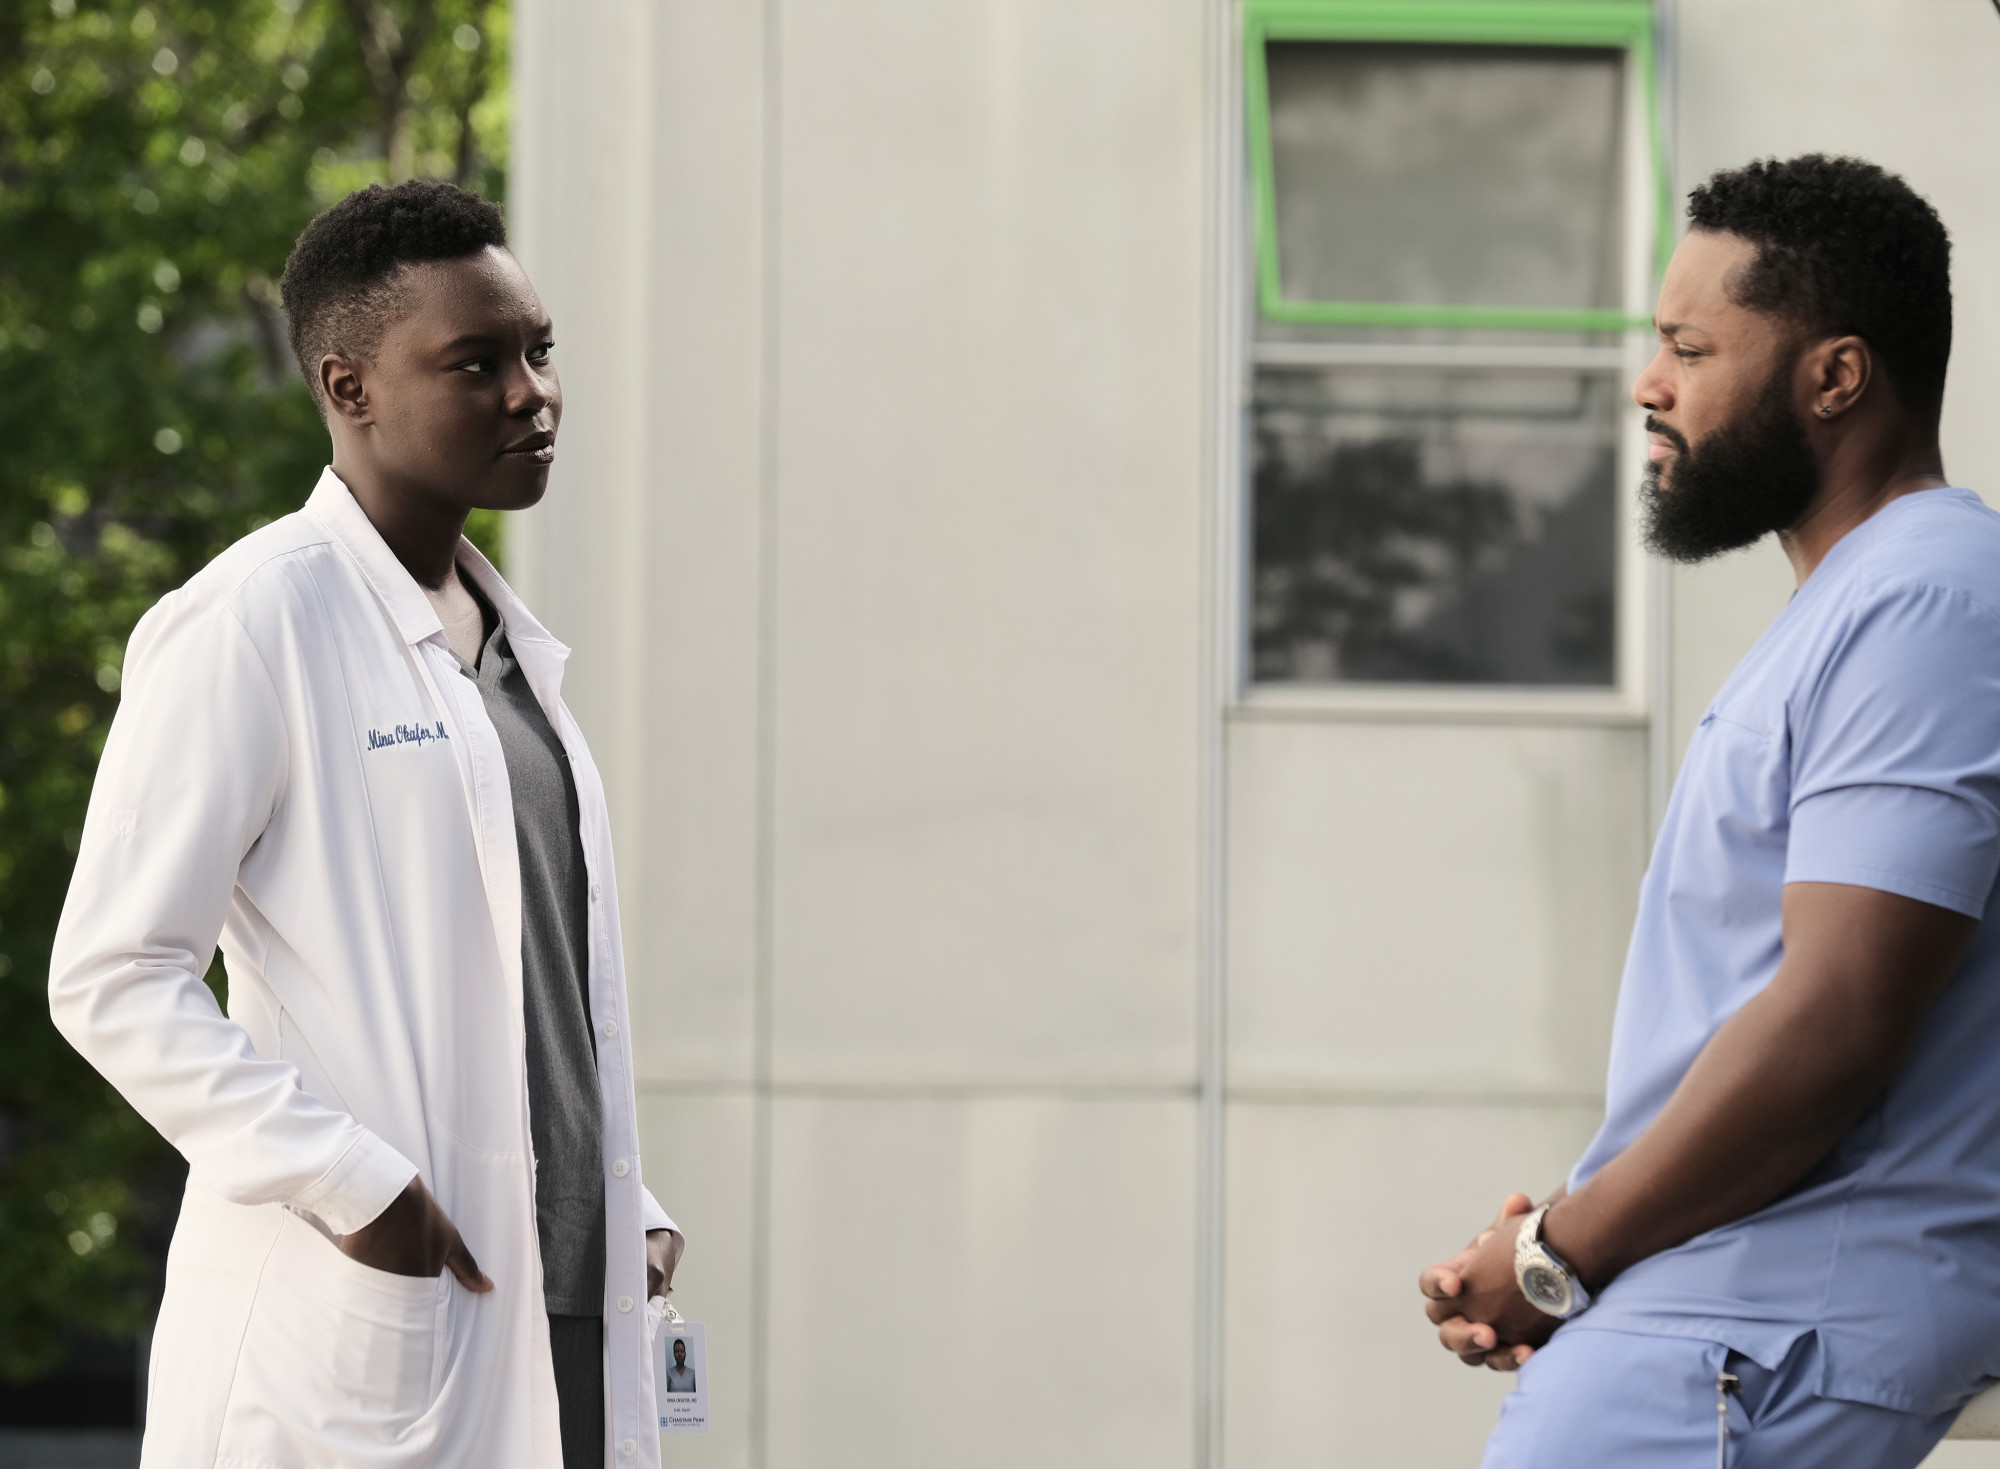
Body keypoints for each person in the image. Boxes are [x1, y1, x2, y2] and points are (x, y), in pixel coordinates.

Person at [49, 180, 683, 1469]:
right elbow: (112, 975)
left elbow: (520, 984)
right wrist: (354, 1188)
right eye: (476, 363)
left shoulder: (506, 652)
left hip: (570, 1302)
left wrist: (628, 1198)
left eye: (539, 351)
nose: (532, 394)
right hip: (379, 1315)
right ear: (350, 388)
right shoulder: (252, 624)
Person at [1417, 154, 2000, 1467]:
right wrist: (1562, 1236)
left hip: (1756, 1333)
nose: (1649, 383)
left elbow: (1838, 1015)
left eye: (1690, 348)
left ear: (1835, 377)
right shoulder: (1859, 605)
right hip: (1714, 1321)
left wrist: (1559, 1253)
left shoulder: (1927, 599)